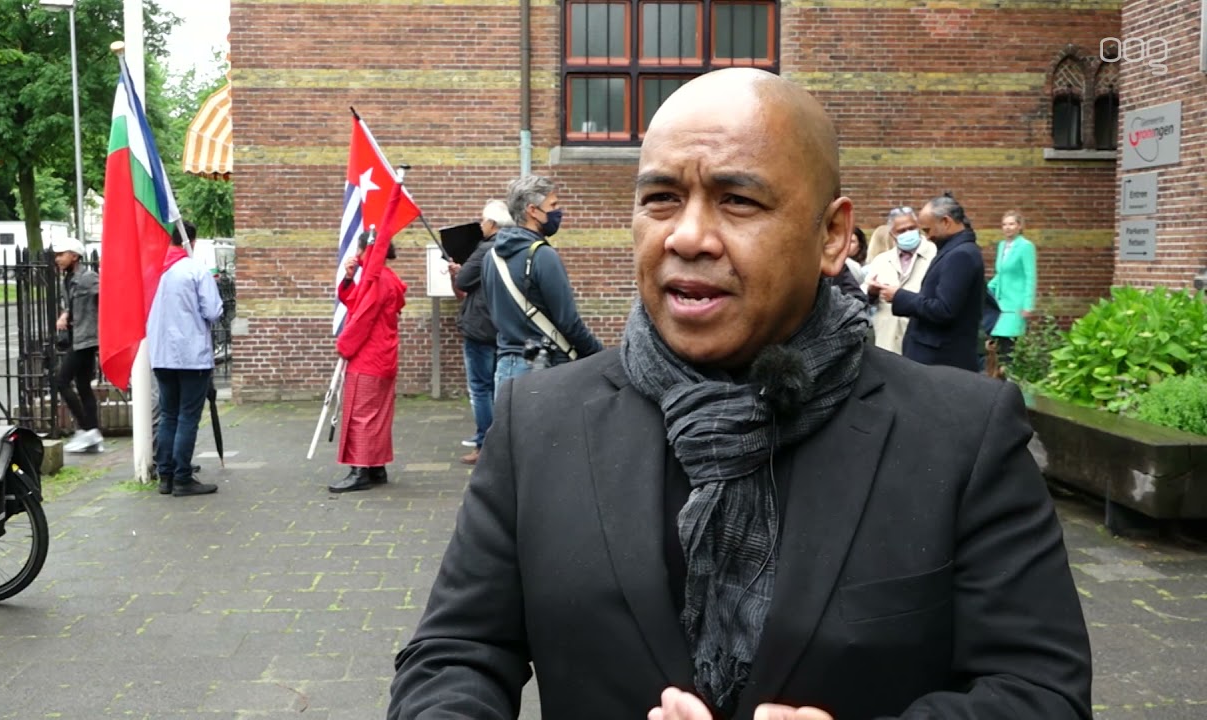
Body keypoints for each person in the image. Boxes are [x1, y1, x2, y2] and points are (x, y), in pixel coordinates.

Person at [389, 69, 1091, 720]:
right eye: (661, 198)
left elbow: (1041, 691)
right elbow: (453, 656)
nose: (689, 236)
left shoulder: (964, 435)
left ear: (832, 235)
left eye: (739, 200)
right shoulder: (537, 423)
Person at [481, 175, 603, 394]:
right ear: (533, 210)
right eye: (553, 205)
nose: (559, 211)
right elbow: (569, 322)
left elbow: (491, 312)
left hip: (505, 369)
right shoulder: (542, 255)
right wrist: (599, 355)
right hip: (544, 368)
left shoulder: (491, 257)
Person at [328, 234, 407, 493]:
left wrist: (344, 346)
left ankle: (360, 468)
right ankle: (376, 467)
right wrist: (350, 278)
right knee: (379, 414)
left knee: (359, 414)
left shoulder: (377, 281)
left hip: (368, 357)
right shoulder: (387, 278)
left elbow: (362, 318)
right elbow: (356, 302)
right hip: (384, 355)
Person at [148, 222, 222, 497]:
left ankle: (164, 476)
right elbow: (213, 311)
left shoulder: (153, 271)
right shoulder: (195, 270)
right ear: (192, 240)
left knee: (168, 414)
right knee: (188, 416)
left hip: (161, 354)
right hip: (191, 355)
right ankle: (182, 477)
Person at [871, 194, 986, 371]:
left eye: (927, 230)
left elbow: (944, 309)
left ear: (946, 222)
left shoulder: (960, 255)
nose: (927, 237)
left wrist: (899, 296)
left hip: (941, 361)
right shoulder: (954, 251)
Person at [449, 200, 513, 466]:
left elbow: (464, 282)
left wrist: (458, 271)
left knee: (480, 388)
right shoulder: (514, 247)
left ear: (493, 224)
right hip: (505, 326)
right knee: (501, 386)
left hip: (480, 327)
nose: (480, 225)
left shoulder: (485, 248)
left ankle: (484, 444)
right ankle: (503, 442)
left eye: (483, 221)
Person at [861, 207, 937, 354]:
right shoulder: (881, 260)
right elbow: (862, 295)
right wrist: (871, 292)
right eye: (901, 231)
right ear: (892, 234)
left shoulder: (935, 255)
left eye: (911, 228)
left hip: (921, 342)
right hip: (887, 341)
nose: (908, 234)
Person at [52, 237, 102, 454]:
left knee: (61, 381)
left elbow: (105, 296)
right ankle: (92, 433)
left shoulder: (88, 277)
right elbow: (72, 302)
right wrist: (66, 314)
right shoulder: (68, 278)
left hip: (87, 339)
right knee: (82, 386)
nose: (57, 259)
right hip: (77, 336)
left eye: (61, 254)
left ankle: (87, 429)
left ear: (74, 255)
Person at [987, 210, 1038, 366]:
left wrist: (1028, 305)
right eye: (1004, 224)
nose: (1007, 228)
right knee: (996, 344)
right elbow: (1000, 274)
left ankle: (1010, 381)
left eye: (1011, 224)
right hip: (1000, 303)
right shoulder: (1002, 246)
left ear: (1019, 226)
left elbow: (1031, 276)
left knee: (1009, 345)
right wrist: (986, 289)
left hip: (1016, 304)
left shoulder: (1026, 246)